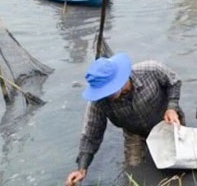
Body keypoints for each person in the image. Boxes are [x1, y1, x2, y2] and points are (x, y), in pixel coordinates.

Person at [64, 53, 184, 186]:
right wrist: (82, 168)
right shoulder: (99, 102)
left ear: (119, 81)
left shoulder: (151, 70)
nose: (105, 95)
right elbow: (91, 134)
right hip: (135, 133)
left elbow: (174, 82)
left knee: (180, 165)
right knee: (134, 172)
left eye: (107, 91)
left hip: (168, 122)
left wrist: (172, 107)